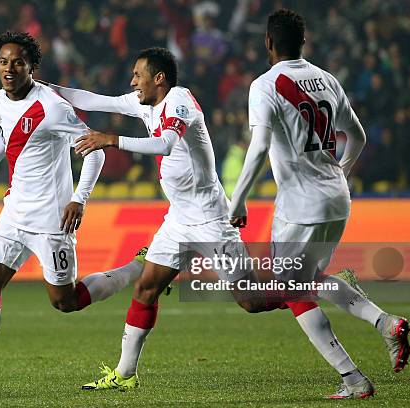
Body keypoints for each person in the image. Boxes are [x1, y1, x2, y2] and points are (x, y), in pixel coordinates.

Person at [44, 47, 276, 391]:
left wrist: (111, 140)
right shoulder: (143, 102)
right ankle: (125, 375)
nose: (133, 81)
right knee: (146, 288)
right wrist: (44, 87)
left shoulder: (180, 100)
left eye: (138, 75)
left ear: (159, 78)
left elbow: (166, 144)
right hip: (178, 218)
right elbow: (94, 100)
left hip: (211, 218)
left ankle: (313, 286)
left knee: (250, 301)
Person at [0, 31, 148, 389]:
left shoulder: (52, 107)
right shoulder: (0, 99)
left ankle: (136, 268)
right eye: (3, 62)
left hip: (51, 221)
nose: (9, 69)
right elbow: (4, 136)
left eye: (18, 62)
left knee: (65, 302)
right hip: (14, 214)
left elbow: (95, 150)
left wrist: (80, 198)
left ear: (32, 67)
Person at [228, 9, 410, 399]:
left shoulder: (265, 85)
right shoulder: (326, 79)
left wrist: (238, 199)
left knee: (293, 291)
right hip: (336, 199)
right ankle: (385, 323)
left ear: (268, 43)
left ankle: (354, 379)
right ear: (303, 42)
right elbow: (356, 136)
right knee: (305, 282)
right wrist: (339, 174)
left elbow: (258, 147)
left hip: (299, 206)